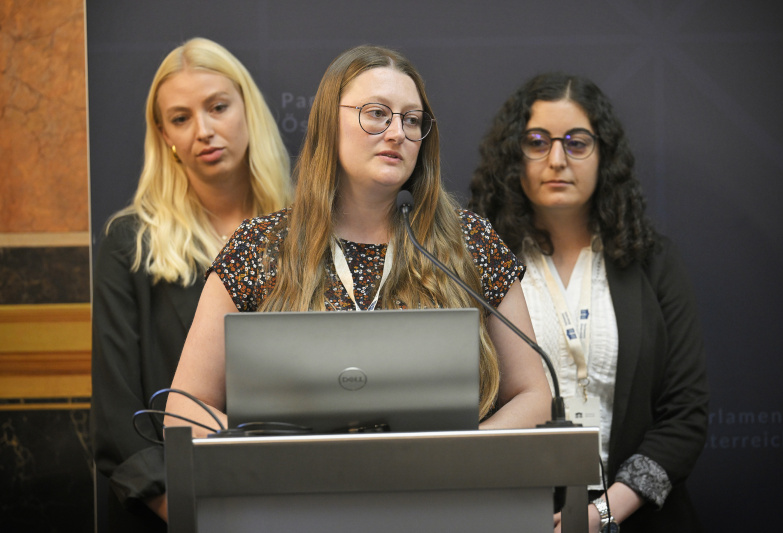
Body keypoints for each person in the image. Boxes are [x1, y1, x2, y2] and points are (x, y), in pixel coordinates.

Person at [165, 44, 551, 440]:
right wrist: (278, 453)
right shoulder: (260, 247)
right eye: (377, 114)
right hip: (297, 491)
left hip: (442, 486)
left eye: (412, 120)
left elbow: (534, 396)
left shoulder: (469, 241)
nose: (398, 133)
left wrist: (462, 451)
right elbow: (183, 410)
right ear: (328, 124)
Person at [469, 72, 709, 532]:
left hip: (633, 516)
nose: (556, 159)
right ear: (513, 156)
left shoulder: (652, 261)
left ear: (605, 156)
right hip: (514, 513)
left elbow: (685, 415)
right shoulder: (481, 263)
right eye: (537, 141)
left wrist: (602, 515)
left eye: (576, 143)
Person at [91, 37, 291, 530]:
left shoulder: (305, 233)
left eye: (218, 107)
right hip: (178, 510)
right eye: (181, 118)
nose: (204, 130)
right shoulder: (130, 244)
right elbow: (120, 423)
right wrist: (188, 514)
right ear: (164, 137)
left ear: (249, 110)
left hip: (294, 497)